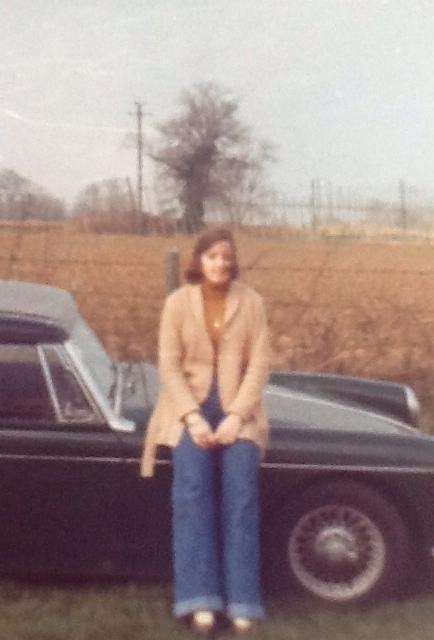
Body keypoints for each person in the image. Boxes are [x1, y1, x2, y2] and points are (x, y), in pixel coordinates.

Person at [140, 227, 272, 635]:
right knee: (192, 496)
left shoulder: (252, 303)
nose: (221, 263)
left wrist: (235, 417)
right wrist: (193, 418)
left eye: (227, 256)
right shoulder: (177, 303)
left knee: (241, 497)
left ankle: (242, 601)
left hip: (239, 411)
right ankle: (200, 601)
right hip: (187, 411)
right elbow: (168, 365)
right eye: (213, 256)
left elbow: (260, 365)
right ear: (198, 262)